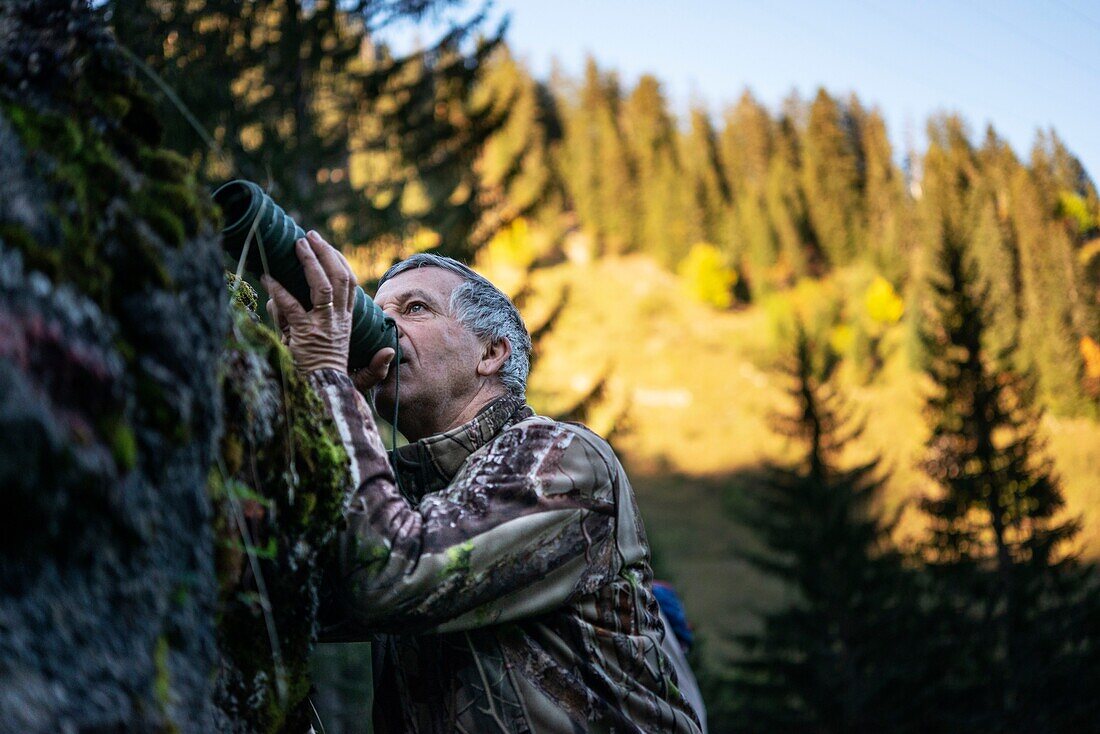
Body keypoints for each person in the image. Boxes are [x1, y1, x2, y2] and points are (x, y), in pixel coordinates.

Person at [264, 231, 704, 733]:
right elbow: (293, 595)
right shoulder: (401, 496)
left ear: (492, 352)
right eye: (377, 309)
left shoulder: (560, 459)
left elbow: (392, 573)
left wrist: (327, 379)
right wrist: (301, 399)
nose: (384, 324)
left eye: (415, 308)